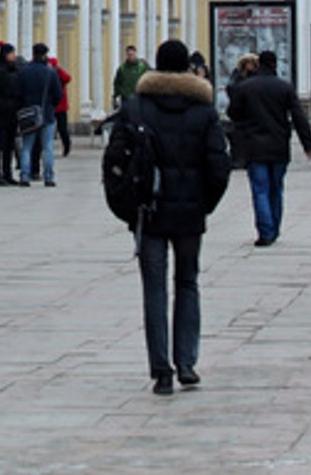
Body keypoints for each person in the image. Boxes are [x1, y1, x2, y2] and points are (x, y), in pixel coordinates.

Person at [130, 39, 231, 395]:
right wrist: (205, 203)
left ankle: (161, 371)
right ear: (188, 66)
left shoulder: (138, 107)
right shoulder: (203, 111)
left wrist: (129, 212)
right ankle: (186, 360)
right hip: (189, 212)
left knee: (153, 289)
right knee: (187, 283)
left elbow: (115, 165)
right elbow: (220, 164)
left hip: (149, 211)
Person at [224, 49, 311, 246]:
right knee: (276, 188)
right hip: (279, 145)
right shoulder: (284, 88)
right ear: (275, 65)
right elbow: (299, 116)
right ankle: (274, 227)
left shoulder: (246, 87)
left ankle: (265, 231)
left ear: (258, 65)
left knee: (260, 189)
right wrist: (308, 144)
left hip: (254, 145)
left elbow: (233, 113)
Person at [17, 43, 61, 187]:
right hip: (47, 114)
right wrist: (50, 106)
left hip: (29, 115)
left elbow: (18, 93)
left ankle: (24, 176)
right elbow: (58, 94)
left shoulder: (24, 71)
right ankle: (48, 177)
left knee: (27, 146)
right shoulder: (51, 72)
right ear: (44, 55)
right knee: (47, 146)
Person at [0, 41, 21, 186]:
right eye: (12, 53)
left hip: (14, 114)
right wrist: (3, 107)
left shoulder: (14, 70)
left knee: (10, 146)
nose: (14, 56)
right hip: (3, 115)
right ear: (5, 55)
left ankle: (8, 173)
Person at [49, 53, 74, 157]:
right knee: (48, 129)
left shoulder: (59, 74)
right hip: (50, 106)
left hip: (60, 106)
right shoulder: (47, 74)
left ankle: (67, 145)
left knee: (62, 128)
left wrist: (58, 69)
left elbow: (68, 78)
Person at [112, 45, 147, 109]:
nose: (130, 56)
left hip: (138, 98)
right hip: (126, 99)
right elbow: (117, 83)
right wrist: (115, 96)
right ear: (126, 55)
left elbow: (146, 81)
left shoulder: (141, 68)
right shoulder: (122, 68)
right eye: (129, 54)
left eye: (132, 54)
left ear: (135, 54)